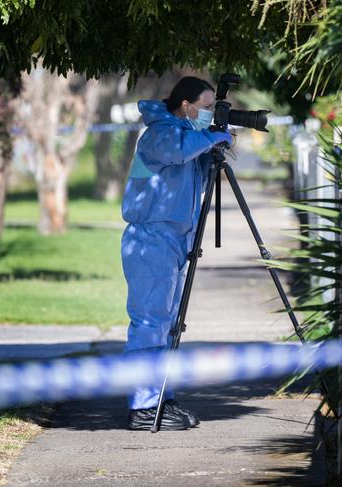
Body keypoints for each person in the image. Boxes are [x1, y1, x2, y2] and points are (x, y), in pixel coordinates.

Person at [120, 76, 232, 431]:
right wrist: (214, 135)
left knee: (168, 325)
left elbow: (191, 171)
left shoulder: (182, 135)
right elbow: (178, 150)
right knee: (149, 323)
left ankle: (162, 398)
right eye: (205, 106)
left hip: (172, 239)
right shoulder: (159, 135)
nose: (209, 114)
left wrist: (213, 150)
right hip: (149, 238)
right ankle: (142, 407)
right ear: (186, 105)